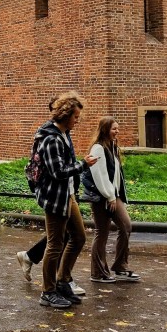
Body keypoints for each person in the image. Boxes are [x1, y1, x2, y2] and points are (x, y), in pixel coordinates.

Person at [33, 92, 97, 309]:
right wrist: (83, 165)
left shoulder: (64, 133)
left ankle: (63, 281)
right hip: (55, 197)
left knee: (78, 237)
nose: (77, 121)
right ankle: (47, 291)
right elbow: (57, 171)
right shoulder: (50, 138)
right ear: (65, 114)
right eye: (75, 117)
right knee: (54, 244)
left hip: (67, 195)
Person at [83, 117, 139, 283]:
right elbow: (99, 175)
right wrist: (110, 196)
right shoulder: (98, 148)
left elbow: (114, 175)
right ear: (105, 129)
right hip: (102, 197)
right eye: (114, 129)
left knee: (126, 226)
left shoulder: (112, 147)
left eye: (118, 128)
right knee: (102, 232)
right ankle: (98, 272)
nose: (117, 131)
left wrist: (116, 195)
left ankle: (120, 267)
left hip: (112, 196)